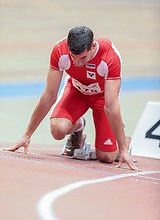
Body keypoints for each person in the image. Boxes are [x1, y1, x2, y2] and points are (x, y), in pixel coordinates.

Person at [5, 26, 140, 171]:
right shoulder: (60, 50)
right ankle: (78, 127)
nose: (77, 63)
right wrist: (27, 135)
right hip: (76, 91)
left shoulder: (109, 57)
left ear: (93, 47)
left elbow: (111, 106)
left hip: (102, 97)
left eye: (83, 57)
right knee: (58, 130)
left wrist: (124, 150)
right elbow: (49, 96)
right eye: (73, 57)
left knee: (106, 158)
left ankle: (124, 140)